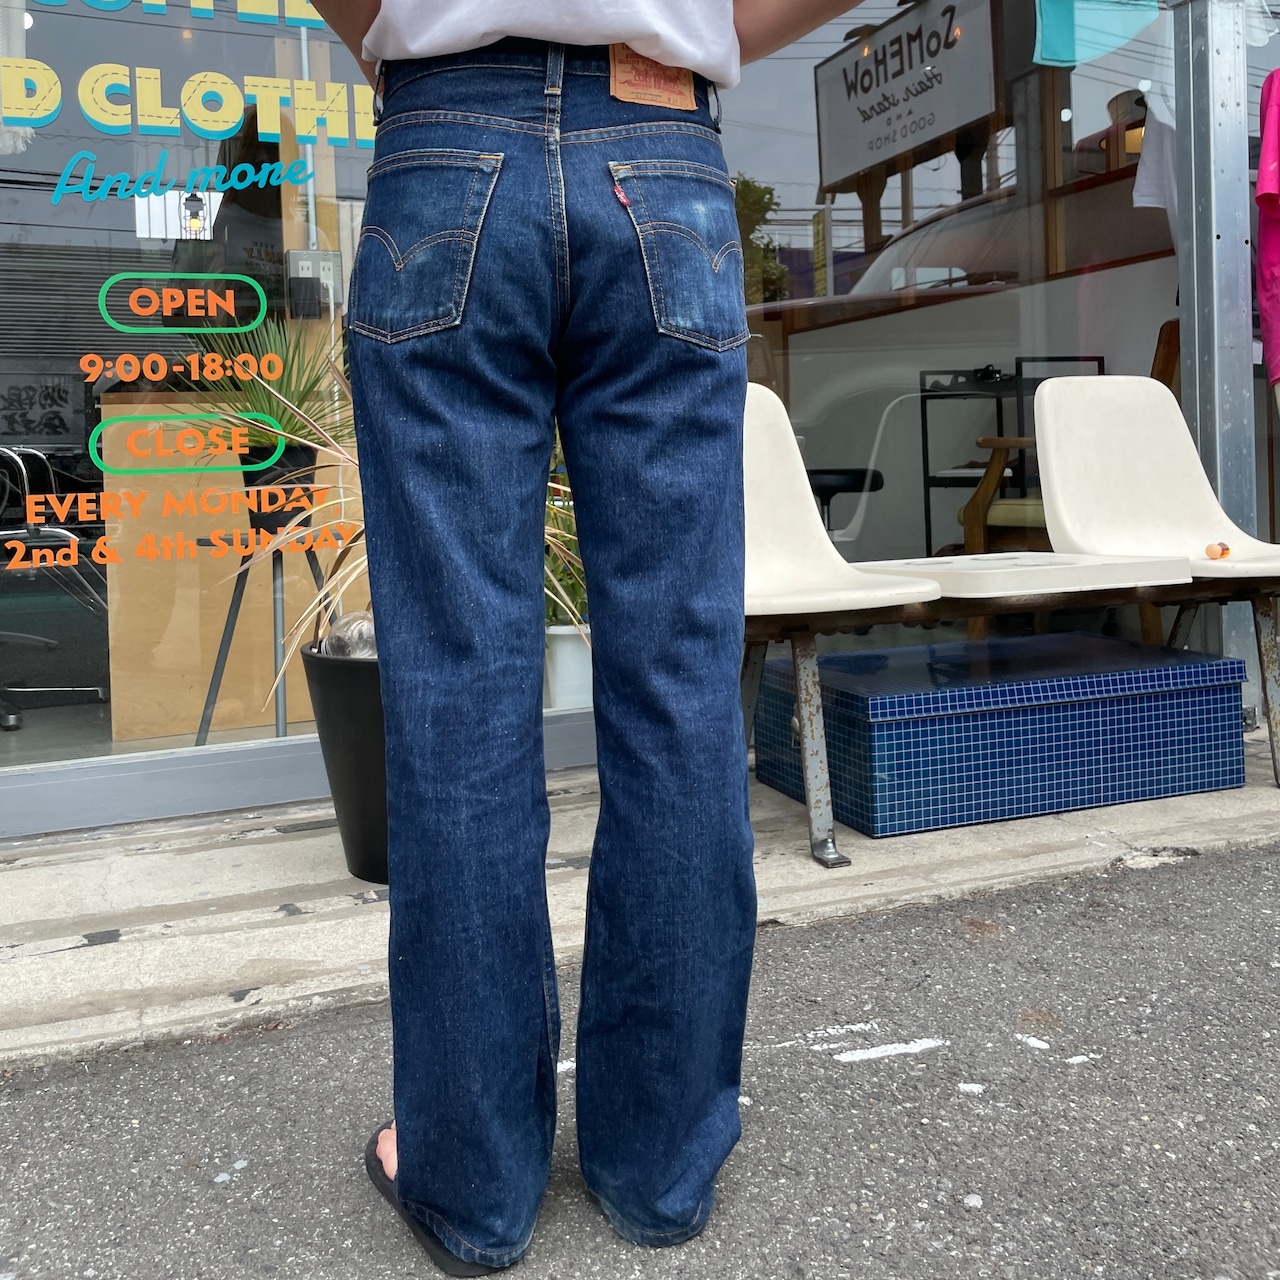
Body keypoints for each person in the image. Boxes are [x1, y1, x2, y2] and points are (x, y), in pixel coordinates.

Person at [310, 2, 857, 1273]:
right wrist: (702, 26)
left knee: (457, 690)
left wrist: (393, 28)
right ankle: (658, 1167)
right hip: (660, 152)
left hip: (445, 139)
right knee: (677, 687)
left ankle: (472, 1184)